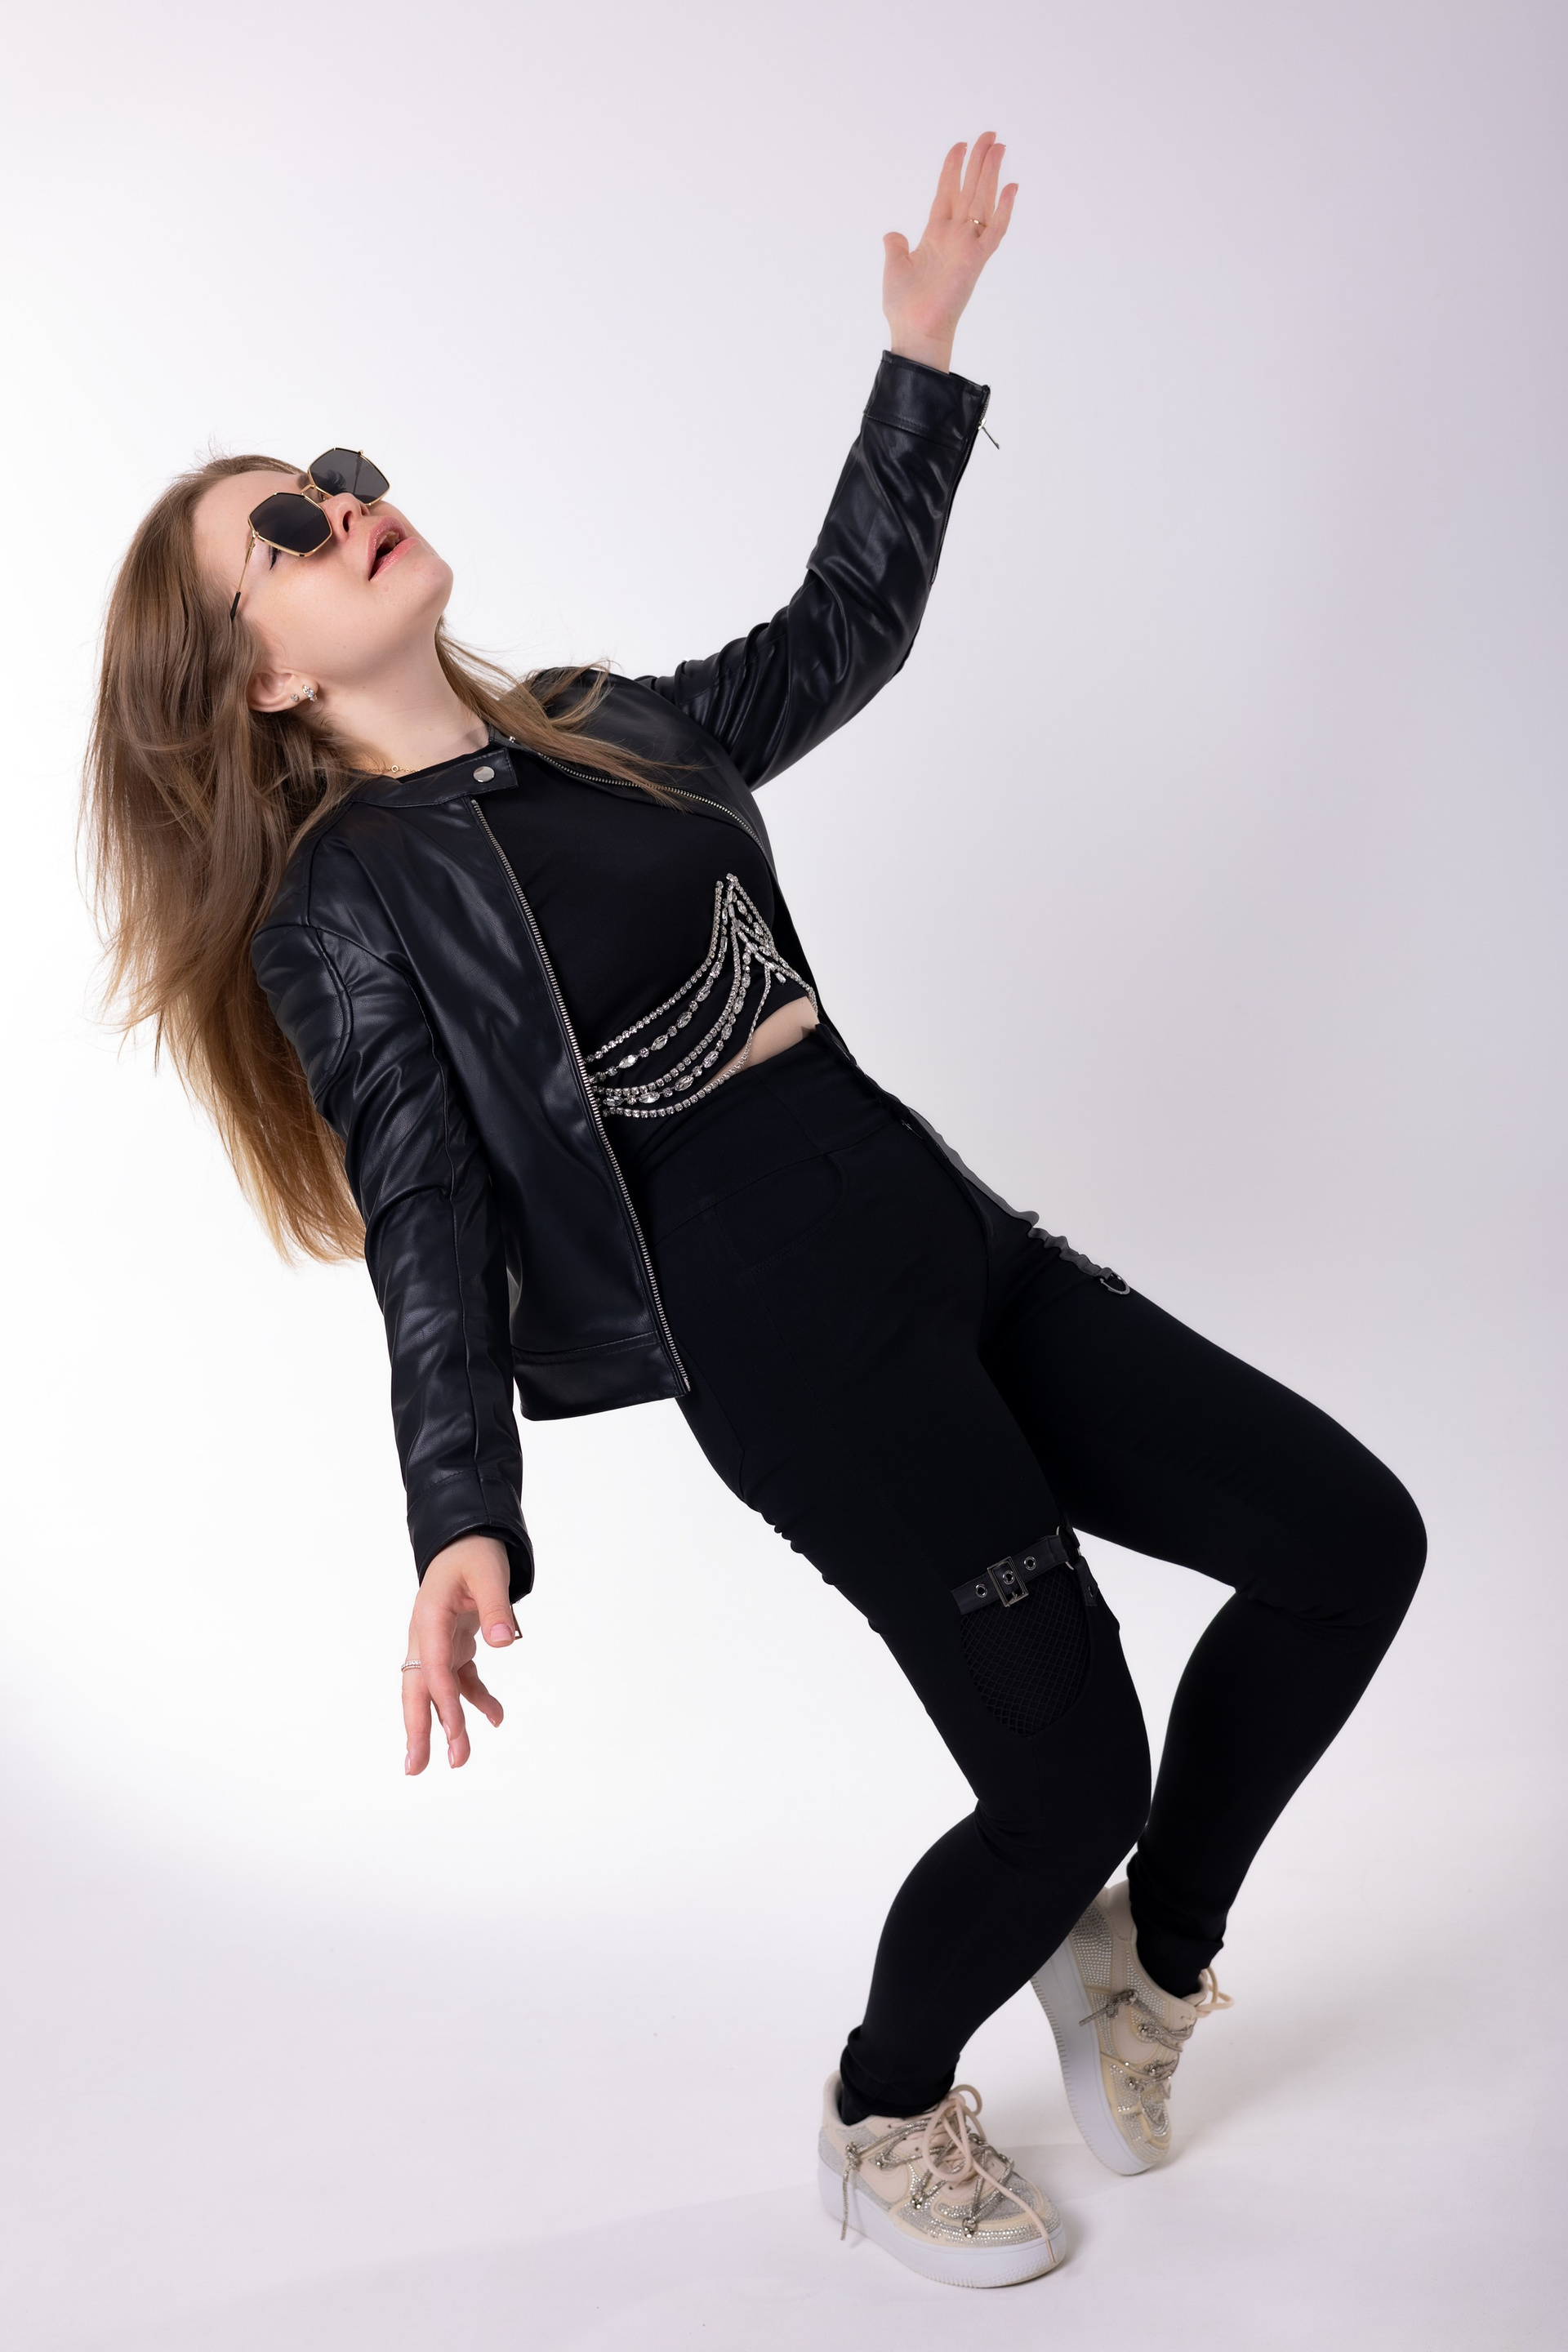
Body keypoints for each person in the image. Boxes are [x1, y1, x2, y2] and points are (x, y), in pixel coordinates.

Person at [84, 134, 1425, 2289]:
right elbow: (424, 1208)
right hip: (787, 1343)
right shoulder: (350, 904)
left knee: (1347, 1540)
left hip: (939, 1234)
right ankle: (885, 2108)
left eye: (338, 475)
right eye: (291, 531)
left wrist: (921, 362)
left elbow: (842, 634)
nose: (346, 506)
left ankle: (1144, 1963)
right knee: (1068, 1773)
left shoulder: (607, 733)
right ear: (261, 678)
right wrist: (460, 1509)